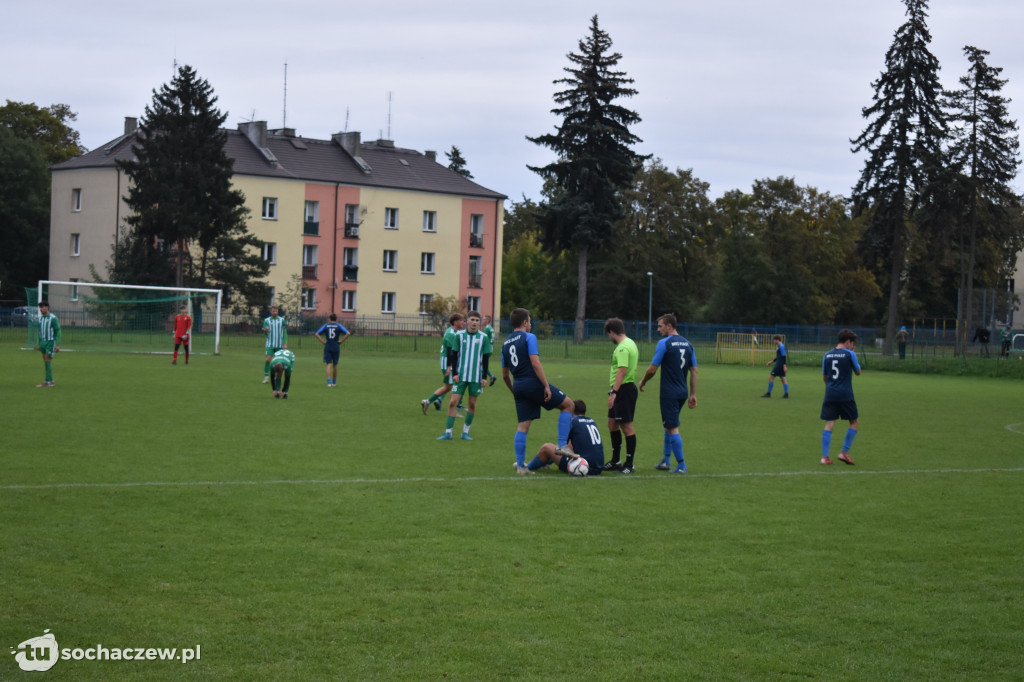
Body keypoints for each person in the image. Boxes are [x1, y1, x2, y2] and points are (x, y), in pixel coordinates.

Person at [501, 307, 574, 474]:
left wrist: (514, 390)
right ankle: (562, 446)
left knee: (523, 426)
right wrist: (546, 386)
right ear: (525, 322)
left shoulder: (505, 344)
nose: (531, 324)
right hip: (533, 383)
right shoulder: (529, 337)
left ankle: (520, 466)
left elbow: (505, 375)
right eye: (530, 321)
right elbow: (535, 363)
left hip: (518, 386)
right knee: (568, 405)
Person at [638, 314, 697, 473]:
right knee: (669, 424)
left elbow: (652, 369)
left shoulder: (664, 343)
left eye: (660, 326)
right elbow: (694, 370)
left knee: (672, 427)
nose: (658, 329)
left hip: (669, 392)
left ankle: (682, 465)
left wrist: (643, 381)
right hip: (682, 392)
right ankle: (665, 460)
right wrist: (693, 394)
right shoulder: (688, 344)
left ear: (669, 326)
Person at [437, 311, 492, 441]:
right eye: (472, 320)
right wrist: (455, 373)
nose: (474, 323)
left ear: (479, 323)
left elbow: (485, 359)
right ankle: (448, 432)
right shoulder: (459, 336)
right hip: (460, 376)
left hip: (475, 377)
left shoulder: (483, 337)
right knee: (452, 402)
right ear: (467, 321)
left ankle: (465, 432)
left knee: (472, 404)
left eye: (477, 320)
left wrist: (484, 377)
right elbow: (454, 355)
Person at [521, 400, 604, 476]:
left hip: (584, 465)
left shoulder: (573, 422)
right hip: (599, 466)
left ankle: (527, 467)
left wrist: (551, 456)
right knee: (559, 449)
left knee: (547, 448)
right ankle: (544, 463)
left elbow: (563, 449)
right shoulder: (592, 421)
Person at [603, 317, 640, 473]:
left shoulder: (623, 348)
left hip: (623, 390)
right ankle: (615, 461)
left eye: (608, 334)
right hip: (621, 389)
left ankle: (629, 464)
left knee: (626, 427)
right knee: (612, 424)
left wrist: (614, 392)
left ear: (612, 332)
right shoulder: (630, 342)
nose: (609, 337)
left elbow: (622, 370)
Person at [820, 329, 862, 466]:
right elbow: (858, 372)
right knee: (854, 422)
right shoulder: (850, 354)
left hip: (830, 393)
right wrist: (853, 354)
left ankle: (825, 457)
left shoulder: (827, 355)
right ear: (848, 342)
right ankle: (844, 452)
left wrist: (833, 385)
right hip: (845, 394)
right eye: (853, 343)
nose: (853, 346)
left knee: (829, 423)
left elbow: (825, 378)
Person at [421, 313, 465, 413]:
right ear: (456, 322)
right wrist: (449, 367)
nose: (463, 322)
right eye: (462, 320)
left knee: (449, 386)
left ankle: (429, 401)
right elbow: (450, 351)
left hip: (449, 362)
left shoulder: (453, 332)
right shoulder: (451, 333)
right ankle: (452, 409)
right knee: (453, 385)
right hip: (447, 362)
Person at [315, 314, 350, 387]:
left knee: (328, 364)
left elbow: (317, 334)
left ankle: (329, 383)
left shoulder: (326, 326)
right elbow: (348, 333)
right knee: (335, 365)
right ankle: (334, 383)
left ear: (329, 318)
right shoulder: (338, 326)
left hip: (328, 346)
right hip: (336, 346)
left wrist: (322, 341)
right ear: (336, 319)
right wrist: (341, 341)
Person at [34, 300, 61, 388]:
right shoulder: (40, 319)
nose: (41, 309)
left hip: (50, 342)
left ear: (47, 307)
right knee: (45, 362)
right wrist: (38, 343)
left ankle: (49, 381)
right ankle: (49, 381)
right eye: (40, 307)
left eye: (43, 307)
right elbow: (39, 331)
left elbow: (58, 331)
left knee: (47, 361)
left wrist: (57, 344)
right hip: (43, 342)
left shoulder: (53, 318)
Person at [262, 305, 288, 383]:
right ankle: (266, 377)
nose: (274, 312)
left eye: (276, 311)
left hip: (279, 345)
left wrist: (285, 343)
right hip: (270, 344)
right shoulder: (266, 320)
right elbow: (265, 333)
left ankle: (276, 376)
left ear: (278, 311)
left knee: (278, 362)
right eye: (273, 311)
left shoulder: (282, 320)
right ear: (271, 311)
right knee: (268, 359)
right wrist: (265, 331)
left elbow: (285, 332)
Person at [482, 314, 497, 386]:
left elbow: (483, 338)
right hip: (490, 347)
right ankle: (490, 376)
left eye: (484, 319)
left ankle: (489, 376)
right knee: (482, 363)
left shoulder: (487, 328)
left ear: (487, 320)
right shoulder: (491, 328)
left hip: (487, 348)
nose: (482, 321)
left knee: (482, 364)